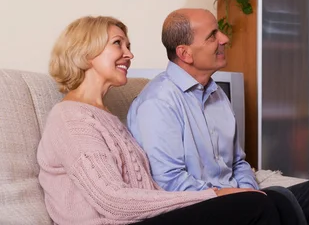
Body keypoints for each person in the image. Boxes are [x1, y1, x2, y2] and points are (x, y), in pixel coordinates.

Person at [37, 15, 281, 225]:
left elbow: (146, 189)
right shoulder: (71, 119)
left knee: (277, 201)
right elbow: (113, 202)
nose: (129, 54)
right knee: (253, 206)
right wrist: (212, 195)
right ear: (86, 51)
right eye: (117, 43)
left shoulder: (105, 116)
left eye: (128, 45)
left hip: (145, 220)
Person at [127, 8, 309, 225]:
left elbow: (237, 162)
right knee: (281, 204)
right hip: (198, 205)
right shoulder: (157, 103)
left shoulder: (217, 95)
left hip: (237, 198)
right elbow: (169, 181)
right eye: (212, 36)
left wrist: (248, 191)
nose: (224, 39)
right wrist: (235, 197)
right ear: (185, 53)